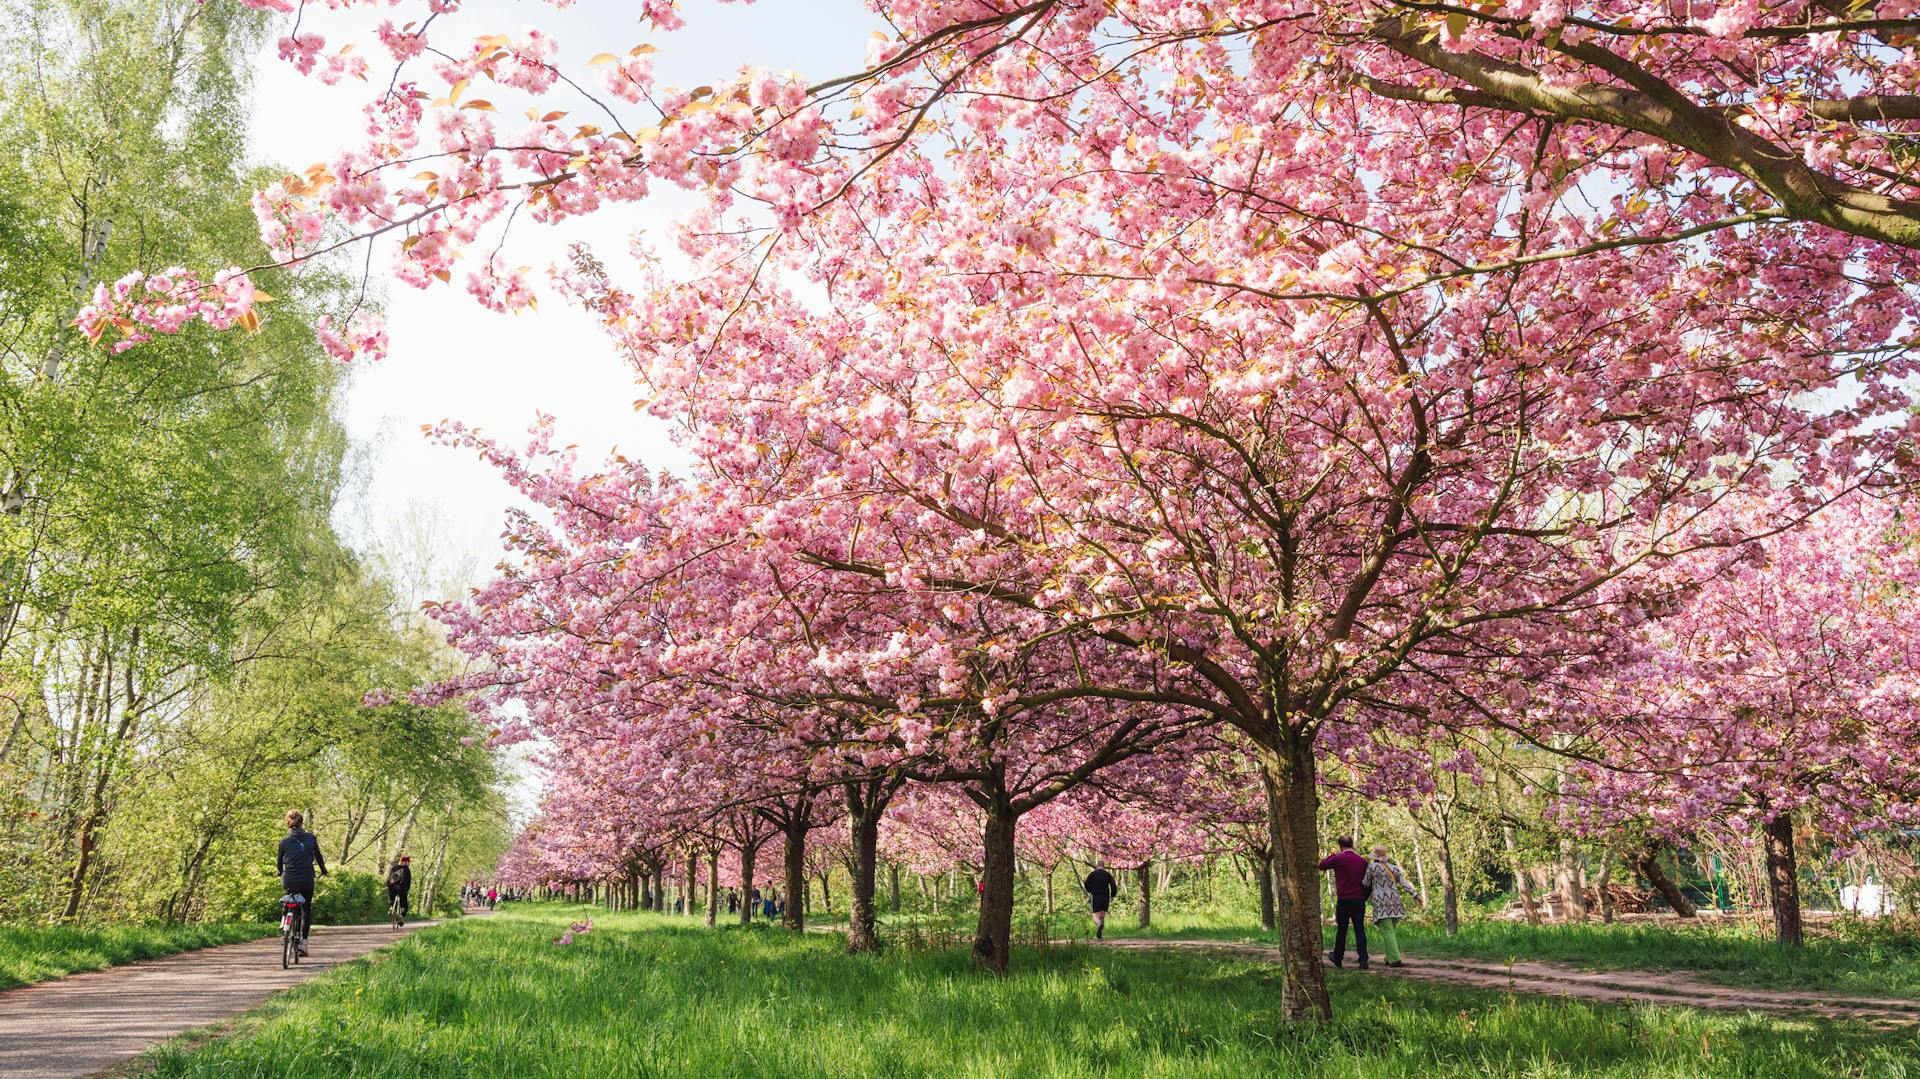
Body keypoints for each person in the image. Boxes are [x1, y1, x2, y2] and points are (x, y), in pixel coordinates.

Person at [275, 810, 328, 956]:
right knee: (306, 909)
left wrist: (280, 872)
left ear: (287, 823)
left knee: (289, 897)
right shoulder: (311, 839)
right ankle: (303, 944)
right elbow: (319, 858)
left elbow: (279, 864)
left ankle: (284, 921)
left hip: (289, 880)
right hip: (306, 880)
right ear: (302, 822)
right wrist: (324, 870)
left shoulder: (284, 842)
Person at [1363, 846, 1421, 969]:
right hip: (1396, 903)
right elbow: (1404, 883)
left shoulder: (1372, 867)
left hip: (1381, 904)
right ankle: (1389, 957)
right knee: (1390, 932)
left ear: (1375, 857)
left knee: (1388, 932)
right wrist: (1415, 895)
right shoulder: (1394, 868)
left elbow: (1365, 883)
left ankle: (1395, 960)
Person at [1318, 836, 1370, 969]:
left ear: (1340, 845)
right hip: (1358, 899)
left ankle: (1338, 957)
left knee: (1342, 930)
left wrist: (1332, 855)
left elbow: (1322, 866)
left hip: (1344, 900)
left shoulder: (1338, 858)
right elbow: (1368, 882)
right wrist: (1364, 897)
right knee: (1359, 929)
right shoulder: (1362, 861)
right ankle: (1363, 958)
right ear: (1352, 845)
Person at [1083, 861, 1118, 940]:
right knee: (1102, 915)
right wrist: (1113, 895)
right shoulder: (1107, 874)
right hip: (1105, 897)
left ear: (1097, 866)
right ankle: (1100, 935)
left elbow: (1086, 883)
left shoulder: (1093, 874)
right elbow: (1113, 885)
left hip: (1096, 896)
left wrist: (1090, 890)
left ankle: (1099, 924)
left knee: (1095, 914)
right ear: (1103, 866)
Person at [387, 855, 413, 920]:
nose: (408, 863)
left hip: (392, 888)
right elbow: (408, 881)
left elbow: (389, 879)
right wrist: (406, 890)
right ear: (406, 862)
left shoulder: (394, 868)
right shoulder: (407, 869)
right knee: (404, 905)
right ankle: (401, 916)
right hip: (402, 889)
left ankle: (391, 907)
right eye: (408, 862)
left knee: (392, 899)